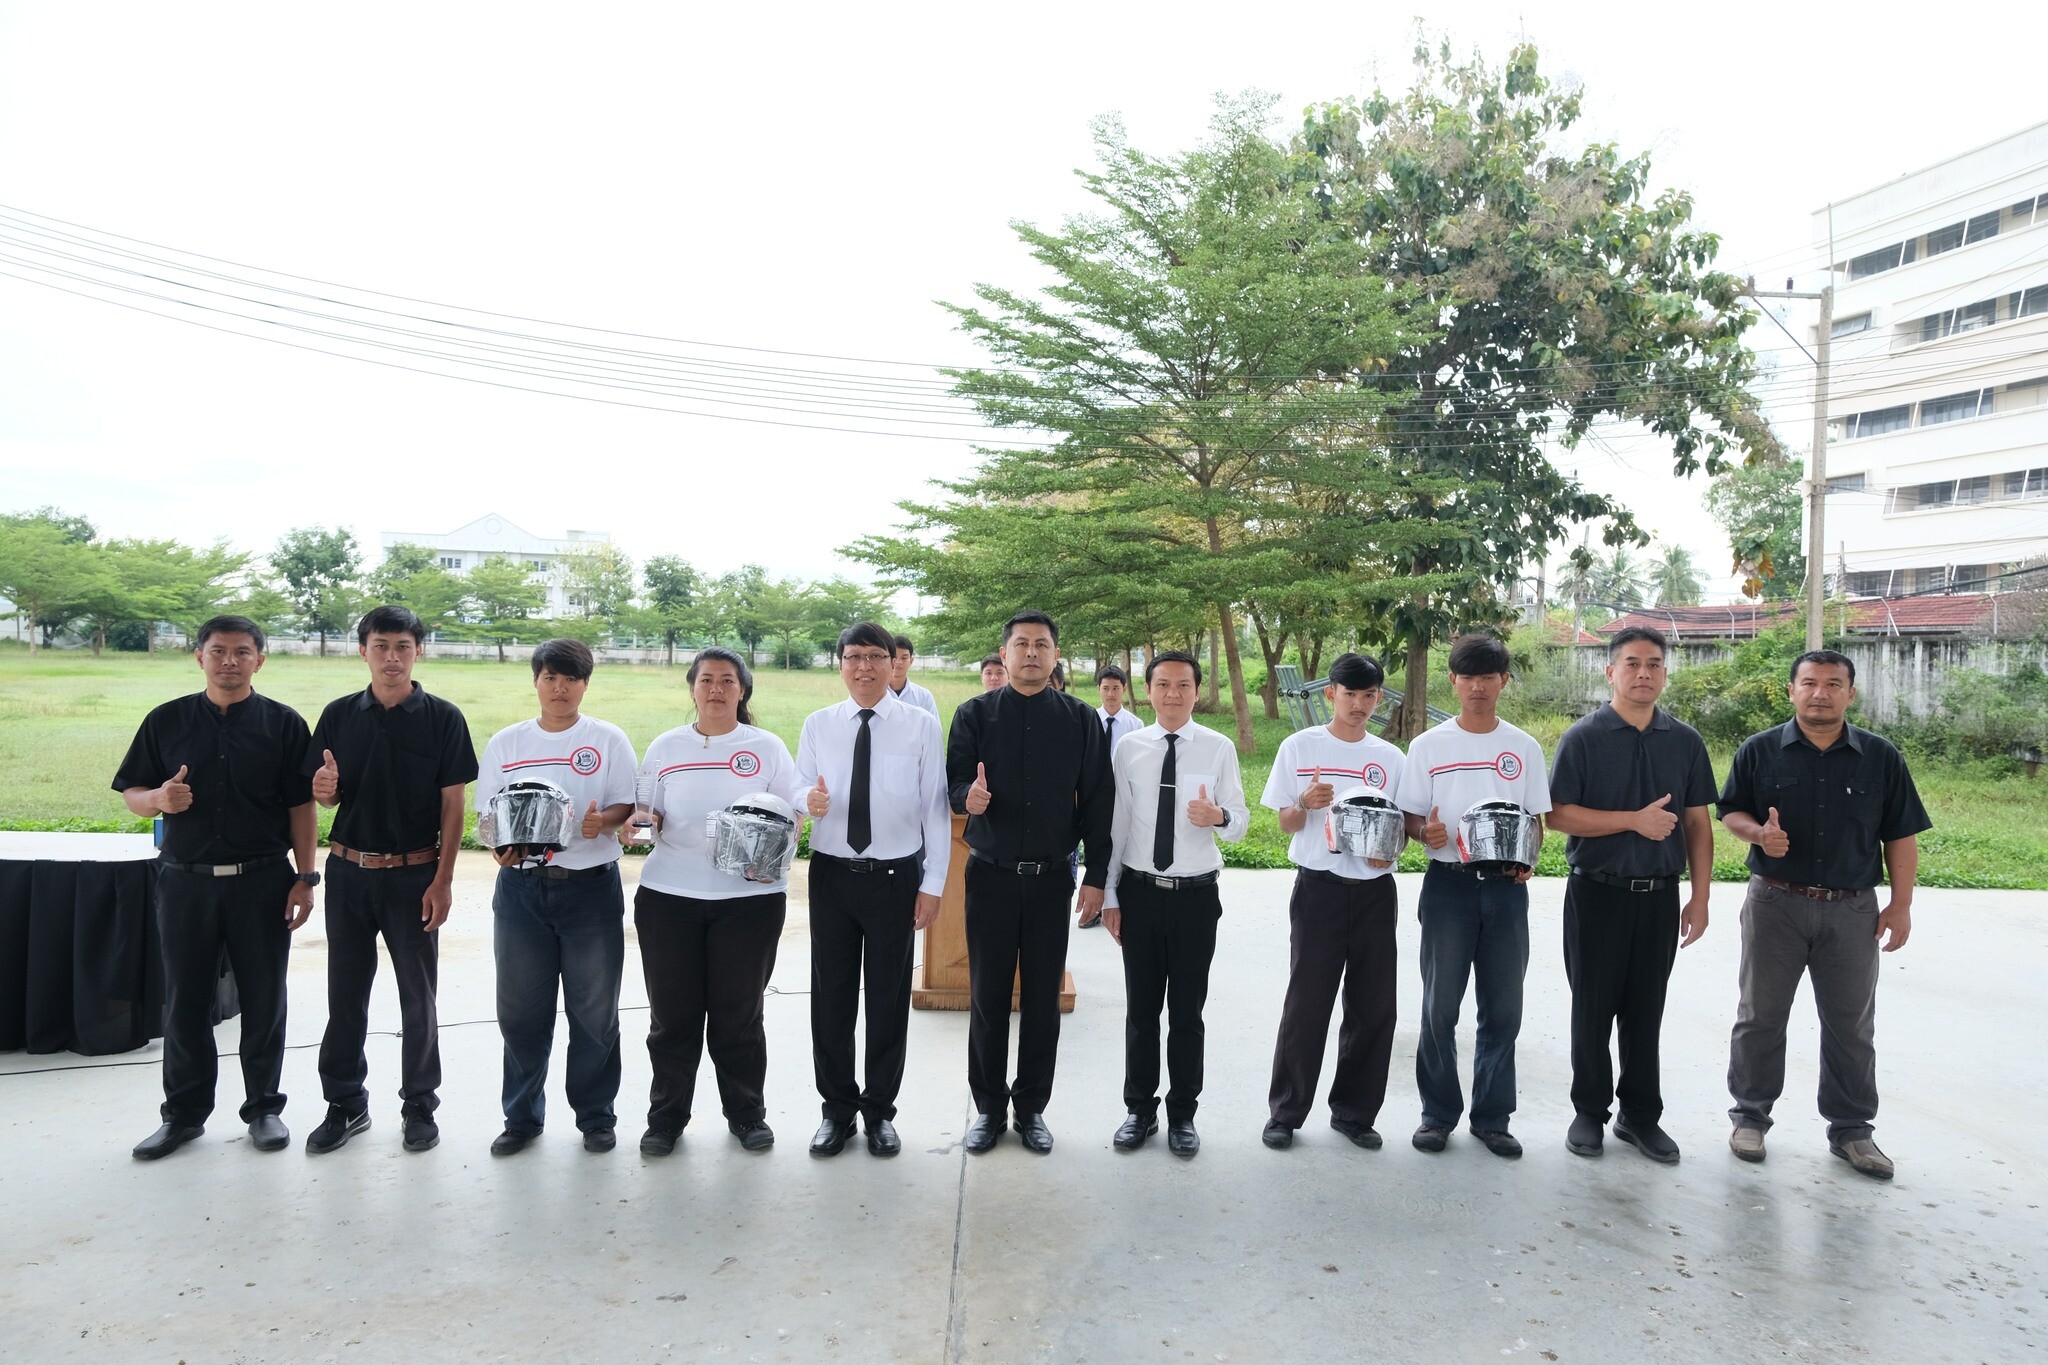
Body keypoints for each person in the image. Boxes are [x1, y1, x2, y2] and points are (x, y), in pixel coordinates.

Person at [1717, 649, 1929, 1180]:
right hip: (1775, 904)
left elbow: (1901, 834)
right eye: (1809, 682)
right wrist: (1757, 834)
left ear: (1850, 694)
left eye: (1833, 684)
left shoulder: (1880, 757)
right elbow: (1731, 810)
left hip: (1851, 910)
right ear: (1792, 690)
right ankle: (1750, 1118)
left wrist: (1901, 904)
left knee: (1851, 1024)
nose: (1820, 693)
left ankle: (1852, 1129)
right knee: (1760, 1016)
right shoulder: (1759, 750)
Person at [114, 616, 317, 1159]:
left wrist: (305, 877)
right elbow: (132, 791)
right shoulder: (166, 720)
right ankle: (182, 1115)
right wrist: (158, 799)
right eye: (219, 650)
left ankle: (264, 1109)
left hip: (263, 882)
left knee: (265, 998)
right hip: (186, 884)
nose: (230, 660)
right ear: (199, 656)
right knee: (185, 1002)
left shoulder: (284, 725)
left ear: (260, 660)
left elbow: (301, 807)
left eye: (242, 651)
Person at [304, 605, 477, 1155]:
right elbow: (326, 793)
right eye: (381, 646)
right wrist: (325, 790)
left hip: (414, 875)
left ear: (418, 651)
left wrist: (443, 880)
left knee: (418, 997)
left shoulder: (443, 718)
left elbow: (454, 807)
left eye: (403, 646)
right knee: (345, 995)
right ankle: (345, 1103)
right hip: (349, 872)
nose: (392, 657)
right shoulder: (338, 715)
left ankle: (419, 1104)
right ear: (363, 651)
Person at [946, 610, 1114, 1155]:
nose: (1032, 653)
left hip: (1050, 880)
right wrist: (967, 799)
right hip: (989, 877)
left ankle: (1032, 1108)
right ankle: (989, 1109)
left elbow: (1098, 801)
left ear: (1056, 655)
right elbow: (954, 781)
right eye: (1022, 644)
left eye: (1042, 644)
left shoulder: (1080, 719)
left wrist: (1096, 878)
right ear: (1005, 653)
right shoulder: (974, 714)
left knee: (1043, 999)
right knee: (988, 998)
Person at [1546, 626, 1714, 1163]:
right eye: (1633, 663)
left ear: (1664, 673)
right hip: (1597, 893)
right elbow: (1557, 815)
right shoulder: (1583, 738)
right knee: (1592, 1008)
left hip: (1660, 896)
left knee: (1646, 1009)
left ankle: (1640, 1117)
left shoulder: (1684, 741)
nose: (1644, 673)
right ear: (1611, 671)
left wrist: (1700, 897)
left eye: (1654, 664)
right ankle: (1588, 1112)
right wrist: (1633, 821)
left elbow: (1697, 823)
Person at [632, 646, 807, 1156]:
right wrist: (641, 824)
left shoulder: (766, 747)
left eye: (727, 680)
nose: (716, 689)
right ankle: (666, 1119)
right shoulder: (666, 746)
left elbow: (793, 813)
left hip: (749, 903)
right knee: (672, 1018)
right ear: (692, 687)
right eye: (706, 679)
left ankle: (747, 1115)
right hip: (669, 898)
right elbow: (647, 811)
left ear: (743, 690)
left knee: (739, 1015)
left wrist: (772, 848)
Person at [474, 638, 637, 1157]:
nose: (559, 688)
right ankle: (521, 1118)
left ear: (585, 684)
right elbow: (487, 816)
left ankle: (596, 1116)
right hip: (521, 893)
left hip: (590, 889)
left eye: (570, 679)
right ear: (536, 681)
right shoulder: (508, 743)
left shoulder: (607, 739)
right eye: (550, 678)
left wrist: (602, 821)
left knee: (594, 1012)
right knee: (521, 1012)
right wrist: (500, 848)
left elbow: (626, 805)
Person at [795, 623, 950, 1158]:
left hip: (894, 879)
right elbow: (798, 784)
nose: (864, 666)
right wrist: (806, 800)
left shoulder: (920, 725)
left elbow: (935, 808)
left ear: (894, 662)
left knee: (887, 998)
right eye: (854, 656)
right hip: (833, 876)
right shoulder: (818, 724)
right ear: (839, 663)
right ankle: (837, 1110)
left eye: (875, 656)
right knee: (831, 998)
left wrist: (933, 883)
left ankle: (880, 1110)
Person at [1395, 633, 1550, 1159]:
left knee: (1503, 1009)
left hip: (1506, 891)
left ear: (1504, 681)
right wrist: (1425, 832)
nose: (1478, 687)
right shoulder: (1428, 745)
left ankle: (1492, 1118)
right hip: (1449, 887)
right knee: (1440, 1008)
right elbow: (1411, 816)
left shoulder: (1523, 747)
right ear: (1454, 681)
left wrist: (1529, 859)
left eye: (1488, 677)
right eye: (1468, 677)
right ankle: (1437, 1115)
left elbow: (1536, 821)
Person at [1258, 652, 1407, 1152]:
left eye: (1369, 696)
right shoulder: (1300, 747)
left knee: (1373, 1006)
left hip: (1373, 893)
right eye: (1350, 694)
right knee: (1307, 1003)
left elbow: (1400, 828)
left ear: (1378, 698)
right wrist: (1304, 803)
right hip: (1318, 889)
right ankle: (1285, 1112)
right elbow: (1285, 823)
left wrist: (1391, 852)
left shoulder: (1390, 758)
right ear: (1330, 694)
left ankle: (1354, 1113)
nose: (1359, 704)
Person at [1100, 650, 1246, 1158]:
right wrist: (1111, 893)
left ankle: (1183, 1113)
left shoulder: (1219, 747)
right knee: (1141, 1011)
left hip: (1195, 898)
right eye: (1162, 684)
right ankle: (1139, 1110)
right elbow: (1118, 825)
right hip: (1140, 895)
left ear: (1197, 692)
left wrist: (1218, 816)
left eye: (1183, 685)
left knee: (1187, 1012)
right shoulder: (1129, 748)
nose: (1173, 694)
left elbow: (1241, 821)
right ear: (1147, 691)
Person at [888, 633, 941, 720]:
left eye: (904, 658)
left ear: (911, 660)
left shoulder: (924, 696)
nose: (898, 662)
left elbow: (934, 725)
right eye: (894, 657)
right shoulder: (876, 694)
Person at [1095, 665, 1145, 752]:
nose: (1110, 694)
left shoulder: (1136, 725)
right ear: (1099, 689)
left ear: (1124, 689)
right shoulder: (1089, 721)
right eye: (1106, 688)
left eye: (1115, 688)